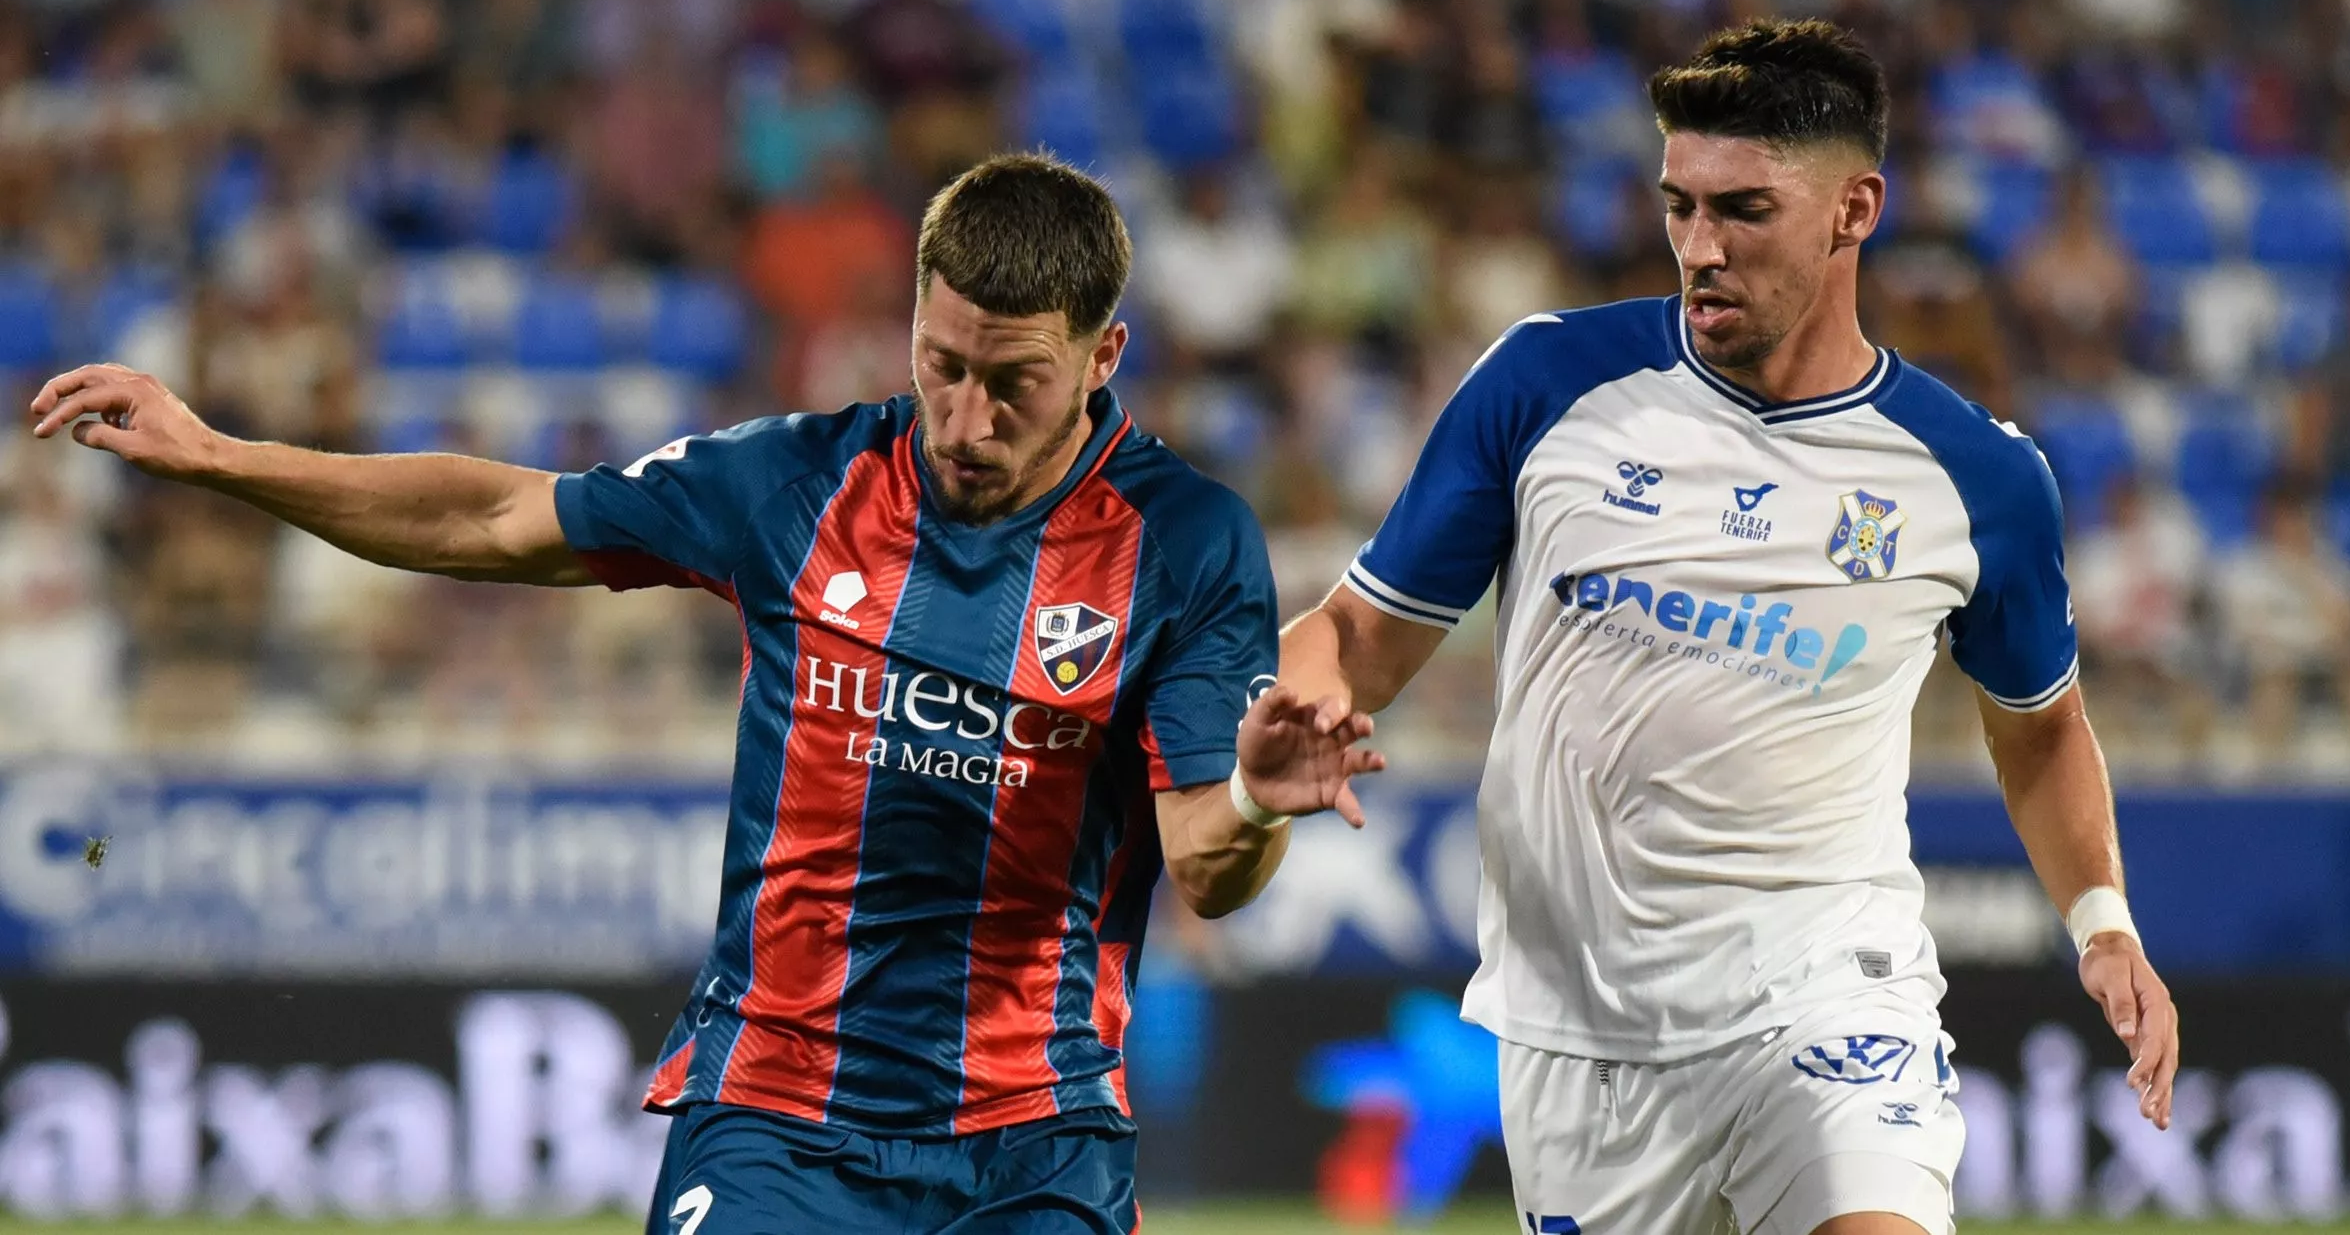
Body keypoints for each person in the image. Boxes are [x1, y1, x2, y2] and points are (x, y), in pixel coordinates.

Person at [27, 154, 1382, 1235]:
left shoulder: (1186, 541)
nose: (964, 420)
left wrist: (1259, 793)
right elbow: (504, 517)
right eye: (940, 365)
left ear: (1102, 355)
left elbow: (1208, 865)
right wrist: (223, 457)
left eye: (1012, 382)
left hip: (1038, 1142)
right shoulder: (796, 484)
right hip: (777, 1116)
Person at [1271, 21, 2180, 1235]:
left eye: (1742, 209)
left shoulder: (1977, 478)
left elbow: (2042, 727)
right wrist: (1306, 694)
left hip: (1830, 985)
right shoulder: (1547, 385)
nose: (1698, 247)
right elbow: (1351, 629)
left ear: (1854, 209)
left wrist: (2103, 921)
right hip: (1585, 1030)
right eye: (1677, 206)